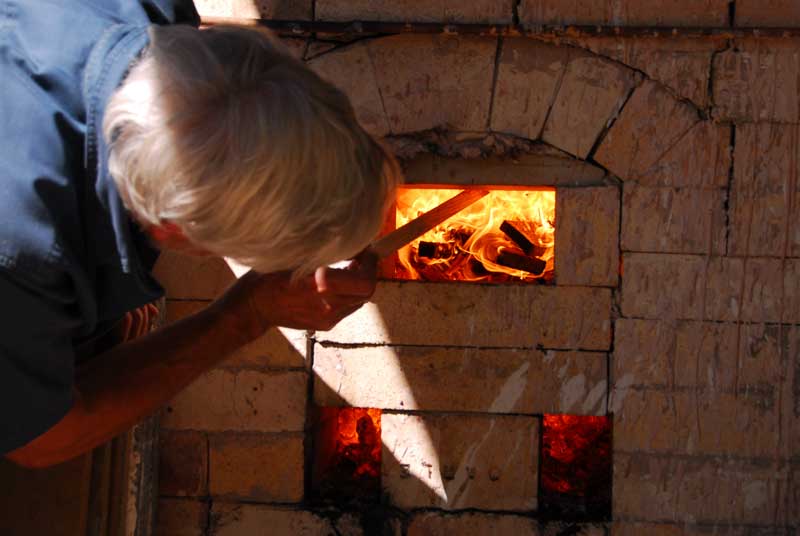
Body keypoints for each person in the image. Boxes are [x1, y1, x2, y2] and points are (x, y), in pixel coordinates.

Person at [0, 0, 400, 468]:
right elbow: (43, 437)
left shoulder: (152, 10)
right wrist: (246, 313)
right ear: (170, 230)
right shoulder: (20, 258)